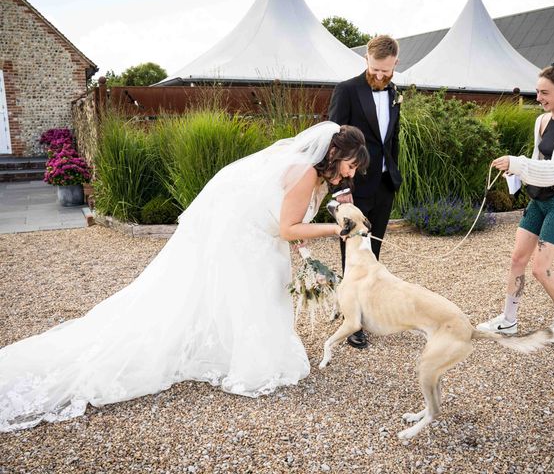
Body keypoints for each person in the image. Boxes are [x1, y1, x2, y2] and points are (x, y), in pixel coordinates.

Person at [0, 122, 369, 432]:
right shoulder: (304, 172)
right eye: (352, 165)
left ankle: (234, 353)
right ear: (336, 154)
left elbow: (282, 220)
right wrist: (334, 230)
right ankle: (250, 364)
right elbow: (289, 227)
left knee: (260, 292)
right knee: (257, 293)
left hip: (257, 233)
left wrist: (308, 262)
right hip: (244, 238)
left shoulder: (313, 176)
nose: (351, 173)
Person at [477, 61, 554, 339]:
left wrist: (517, 163)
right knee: (517, 259)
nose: (538, 98)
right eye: (537, 91)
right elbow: (538, 160)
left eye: (544, 92)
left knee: (540, 269)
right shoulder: (541, 121)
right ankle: (508, 320)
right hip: (539, 200)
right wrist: (516, 173)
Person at [328, 34, 403, 349]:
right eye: (375, 69)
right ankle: (352, 320)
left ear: (395, 63)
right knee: (353, 257)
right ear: (366, 60)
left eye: (386, 70)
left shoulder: (395, 93)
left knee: (373, 255)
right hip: (354, 188)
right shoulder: (347, 90)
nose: (381, 76)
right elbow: (333, 141)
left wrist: (394, 175)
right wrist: (341, 189)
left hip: (385, 186)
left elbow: (392, 139)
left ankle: (365, 308)